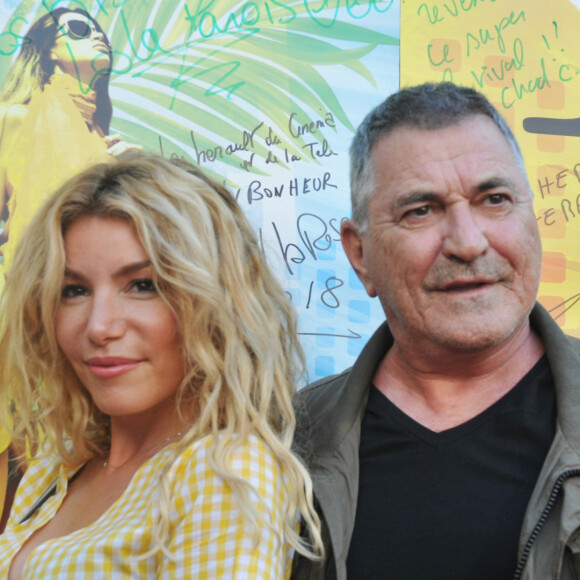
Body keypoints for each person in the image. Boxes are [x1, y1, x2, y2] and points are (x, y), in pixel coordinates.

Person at [291, 82, 580, 580]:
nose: (468, 243)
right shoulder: (287, 442)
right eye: (420, 210)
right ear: (360, 254)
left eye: (494, 199)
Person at [0, 152, 322, 577]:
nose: (99, 326)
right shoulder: (59, 467)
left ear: (215, 304)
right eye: (73, 290)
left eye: (143, 285)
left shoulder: (227, 471)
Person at [0, 7, 138, 276]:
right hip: (25, 293)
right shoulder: (14, 117)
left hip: (90, 299)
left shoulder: (106, 145)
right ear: (49, 50)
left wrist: (135, 176)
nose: (97, 35)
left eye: (100, 32)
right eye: (79, 29)